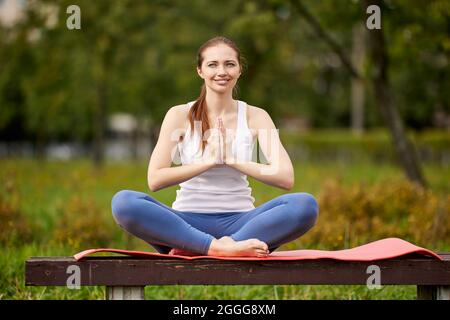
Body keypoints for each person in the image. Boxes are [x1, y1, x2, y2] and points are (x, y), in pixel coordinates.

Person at [111, 36, 319, 257]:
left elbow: (285, 177)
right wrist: (207, 162)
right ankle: (219, 249)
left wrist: (231, 159)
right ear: (200, 70)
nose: (222, 71)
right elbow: (155, 179)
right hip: (186, 223)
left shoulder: (255, 116)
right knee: (124, 202)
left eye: (230, 64)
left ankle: (211, 247)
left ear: (240, 70)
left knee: (305, 206)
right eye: (212, 64)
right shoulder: (179, 115)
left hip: (241, 223)